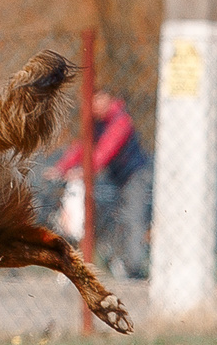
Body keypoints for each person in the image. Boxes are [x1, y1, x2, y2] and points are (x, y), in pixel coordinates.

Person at [47, 88, 151, 281]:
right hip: (113, 176)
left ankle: (134, 267)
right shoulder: (97, 123)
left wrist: (84, 171)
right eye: (91, 102)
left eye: (98, 100)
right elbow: (82, 146)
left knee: (132, 218)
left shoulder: (121, 120)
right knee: (102, 215)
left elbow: (105, 150)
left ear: (109, 99)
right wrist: (61, 168)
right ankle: (113, 259)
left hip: (134, 176)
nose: (94, 106)